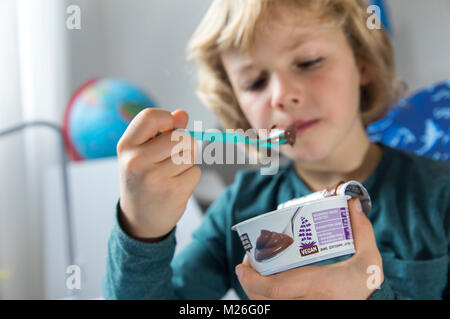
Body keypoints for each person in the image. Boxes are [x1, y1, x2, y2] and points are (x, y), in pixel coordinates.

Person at [103, 0, 450, 299]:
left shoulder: (440, 194)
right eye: (254, 82)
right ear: (237, 107)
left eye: (309, 61)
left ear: (361, 63)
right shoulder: (237, 209)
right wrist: (142, 230)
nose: (281, 95)